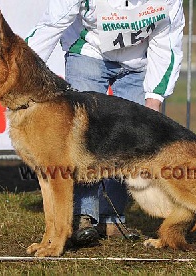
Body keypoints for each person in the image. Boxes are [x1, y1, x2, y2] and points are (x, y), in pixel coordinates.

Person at [26, 0, 185, 244]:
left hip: (139, 62)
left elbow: (168, 42)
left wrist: (154, 98)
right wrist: (23, 73)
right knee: (83, 140)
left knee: (128, 143)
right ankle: (83, 216)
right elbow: (52, 24)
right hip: (88, 51)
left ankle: (113, 219)